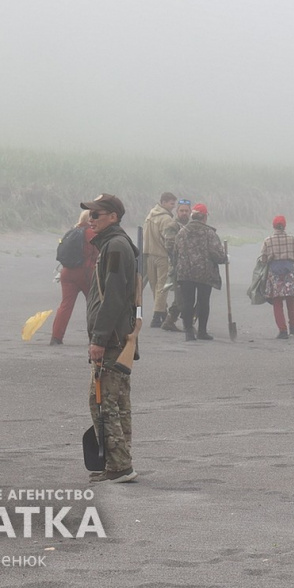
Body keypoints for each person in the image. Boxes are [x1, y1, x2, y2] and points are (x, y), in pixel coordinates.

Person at [82, 193, 139, 483]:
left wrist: (99, 339)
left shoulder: (115, 247)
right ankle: (120, 462)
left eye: (96, 215)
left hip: (113, 339)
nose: (90, 220)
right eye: (90, 215)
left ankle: (119, 466)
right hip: (118, 337)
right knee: (117, 402)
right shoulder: (114, 245)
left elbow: (114, 297)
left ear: (113, 217)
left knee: (103, 402)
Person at [174, 203, 228, 342]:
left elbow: (175, 251)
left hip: (185, 272)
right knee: (203, 302)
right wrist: (225, 258)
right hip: (205, 273)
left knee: (187, 302)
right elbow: (217, 255)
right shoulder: (210, 233)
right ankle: (202, 331)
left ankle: (188, 332)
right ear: (204, 217)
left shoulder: (182, 232)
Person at [50, 210, 98, 344]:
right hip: (86, 273)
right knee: (94, 304)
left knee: (65, 305)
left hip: (67, 272)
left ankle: (56, 337)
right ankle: (94, 338)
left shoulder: (71, 232)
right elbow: (97, 254)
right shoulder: (92, 233)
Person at [260, 215, 294, 339]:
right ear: (284, 226)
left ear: (273, 226)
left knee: (277, 302)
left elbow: (263, 259)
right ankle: (293, 327)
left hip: (275, 274)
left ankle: (283, 330)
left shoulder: (268, 240)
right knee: (291, 300)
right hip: (289, 272)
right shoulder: (292, 239)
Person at [142, 192, 177, 328]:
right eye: (171, 203)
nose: (173, 207)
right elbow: (169, 239)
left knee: (154, 286)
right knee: (162, 287)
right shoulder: (166, 219)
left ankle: (162, 314)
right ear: (163, 202)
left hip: (149, 254)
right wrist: (173, 255)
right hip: (162, 255)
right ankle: (157, 317)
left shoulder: (150, 215)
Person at [160, 198, 192, 332]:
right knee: (181, 296)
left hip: (190, 267)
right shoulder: (172, 226)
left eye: (186, 211)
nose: (184, 213)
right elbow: (170, 246)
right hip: (177, 266)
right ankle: (181, 323)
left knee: (184, 295)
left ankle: (171, 320)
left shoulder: (191, 226)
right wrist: (179, 262)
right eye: (181, 211)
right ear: (177, 211)